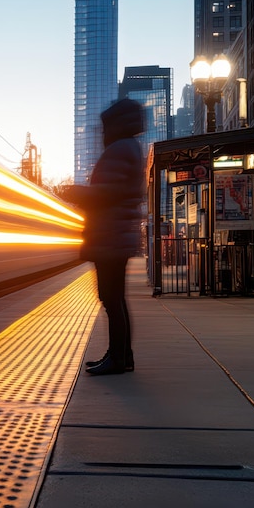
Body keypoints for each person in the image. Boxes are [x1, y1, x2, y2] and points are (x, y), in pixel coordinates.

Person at [60, 97, 145, 375]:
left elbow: (110, 193)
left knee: (111, 298)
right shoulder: (130, 147)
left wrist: (76, 192)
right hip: (115, 234)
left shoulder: (120, 149)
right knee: (115, 299)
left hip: (111, 235)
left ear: (115, 124)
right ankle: (123, 356)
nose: (102, 132)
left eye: (105, 126)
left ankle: (118, 359)